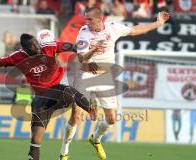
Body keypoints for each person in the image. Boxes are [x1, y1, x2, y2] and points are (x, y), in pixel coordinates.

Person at [0, 30, 100, 160]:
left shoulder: (48, 46)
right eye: (33, 46)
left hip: (56, 89)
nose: (38, 47)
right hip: (40, 99)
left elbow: (71, 47)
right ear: (25, 49)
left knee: (70, 92)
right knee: (35, 142)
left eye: (37, 44)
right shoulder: (18, 56)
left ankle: (90, 109)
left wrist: (86, 55)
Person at [59, 6, 170, 160]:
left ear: (100, 18)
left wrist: (158, 23)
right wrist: (94, 50)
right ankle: (64, 152)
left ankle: (95, 140)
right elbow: (82, 59)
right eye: (86, 18)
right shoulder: (84, 33)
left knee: (111, 118)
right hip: (85, 74)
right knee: (76, 114)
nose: (87, 22)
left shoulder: (113, 28)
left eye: (90, 19)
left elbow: (135, 30)